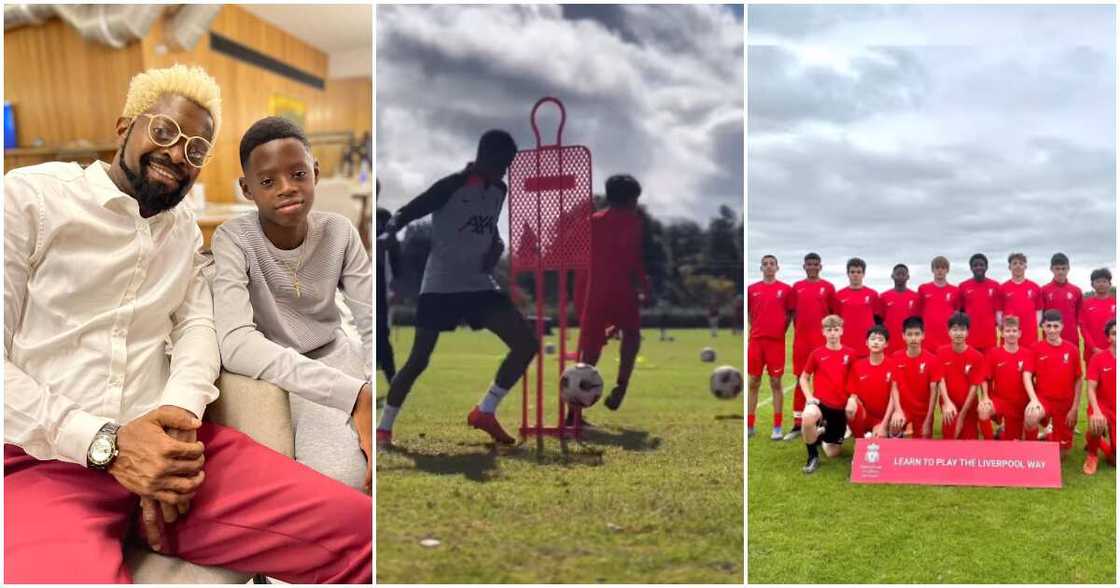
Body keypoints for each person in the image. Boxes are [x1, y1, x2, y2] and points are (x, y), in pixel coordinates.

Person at [4, 65, 370, 583]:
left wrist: (175, 420)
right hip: (43, 462)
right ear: (123, 126)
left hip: (176, 452)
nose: (179, 153)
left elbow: (198, 329)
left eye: (197, 148)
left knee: (366, 536)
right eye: (164, 131)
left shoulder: (182, 232)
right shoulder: (30, 200)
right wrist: (106, 444)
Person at [212, 117, 373, 492]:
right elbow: (235, 344)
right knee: (340, 481)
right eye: (267, 181)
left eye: (298, 173)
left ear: (315, 172)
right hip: (286, 370)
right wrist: (351, 394)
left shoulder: (339, 231)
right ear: (247, 189)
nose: (287, 188)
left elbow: (370, 319)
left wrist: (375, 383)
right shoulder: (233, 240)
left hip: (337, 353)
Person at [376, 130, 536, 449]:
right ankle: (383, 430)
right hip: (441, 285)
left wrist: (495, 246)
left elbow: (488, 231)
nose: (505, 170)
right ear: (484, 156)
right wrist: (390, 233)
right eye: (501, 163)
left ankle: (485, 411)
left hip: (478, 285)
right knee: (418, 360)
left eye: (508, 165)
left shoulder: (499, 191)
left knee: (526, 343)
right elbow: (404, 213)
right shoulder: (451, 185)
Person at [577, 174, 651, 412]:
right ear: (631, 199)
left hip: (594, 290)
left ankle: (573, 411)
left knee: (590, 349)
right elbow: (634, 259)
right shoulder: (634, 222)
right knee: (632, 336)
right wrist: (644, 285)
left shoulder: (592, 221)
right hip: (622, 288)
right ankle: (621, 384)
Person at [785, 252, 836, 440]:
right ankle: (798, 424)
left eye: (816, 264)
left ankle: (823, 422)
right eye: (809, 264)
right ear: (804, 266)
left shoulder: (828, 288)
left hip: (822, 344)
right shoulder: (796, 287)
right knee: (800, 380)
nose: (812, 267)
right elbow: (790, 314)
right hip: (802, 343)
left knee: (825, 382)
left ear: (820, 266)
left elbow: (834, 316)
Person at [798, 315, 855, 473]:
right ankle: (812, 456)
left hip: (840, 408)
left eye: (836, 329)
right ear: (823, 332)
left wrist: (852, 398)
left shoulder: (850, 354)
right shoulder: (817, 353)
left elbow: (855, 380)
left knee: (833, 453)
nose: (832, 333)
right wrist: (809, 398)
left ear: (841, 331)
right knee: (808, 416)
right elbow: (804, 377)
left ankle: (821, 432)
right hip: (821, 404)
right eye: (829, 330)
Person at [1023, 310, 1082, 455]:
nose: (1052, 330)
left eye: (1055, 326)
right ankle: (1032, 450)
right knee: (1031, 415)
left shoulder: (1072, 349)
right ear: (1042, 326)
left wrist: (1074, 408)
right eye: (1048, 326)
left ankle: (1049, 433)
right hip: (1044, 400)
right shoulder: (1035, 348)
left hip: (1065, 403)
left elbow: (1079, 379)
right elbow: (1026, 375)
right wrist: (1034, 400)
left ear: (1062, 326)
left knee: (1062, 454)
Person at [747, 255, 792, 439]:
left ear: (777, 267)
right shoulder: (752, 289)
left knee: (775, 382)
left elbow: (789, 315)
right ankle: (749, 425)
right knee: (754, 382)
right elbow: (750, 314)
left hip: (776, 343)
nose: (768, 267)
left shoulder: (785, 290)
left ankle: (777, 426)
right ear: (761, 268)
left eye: (772, 264)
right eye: (765, 264)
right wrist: (757, 328)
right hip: (756, 342)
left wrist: (779, 330)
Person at [977, 316, 1034, 441]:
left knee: (1014, 442)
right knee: (983, 408)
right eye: (1008, 331)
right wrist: (985, 397)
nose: (1011, 334)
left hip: (1021, 404)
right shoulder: (993, 353)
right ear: (1002, 333)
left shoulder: (1027, 354)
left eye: (1014, 331)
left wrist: (1033, 400)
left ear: (1019, 333)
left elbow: (1031, 379)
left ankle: (1030, 448)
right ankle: (990, 446)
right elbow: (983, 378)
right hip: (1001, 401)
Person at [888, 317, 943, 439]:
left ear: (923, 335)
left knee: (923, 448)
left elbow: (934, 392)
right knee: (894, 425)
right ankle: (898, 437)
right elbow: (894, 387)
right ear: (903, 336)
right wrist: (897, 410)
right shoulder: (896, 357)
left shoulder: (932, 360)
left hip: (923, 413)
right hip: (904, 409)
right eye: (910, 334)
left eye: (917, 334)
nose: (913, 338)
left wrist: (928, 419)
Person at [936, 312, 986, 439]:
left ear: (968, 332)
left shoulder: (977, 356)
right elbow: (940, 379)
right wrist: (946, 402)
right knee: (950, 440)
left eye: (962, 330)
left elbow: (974, 388)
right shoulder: (941, 352)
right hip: (949, 406)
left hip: (968, 408)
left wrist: (962, 416)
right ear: (949, 332)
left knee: (969, 445)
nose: (958, 333)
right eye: (955, 330)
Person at [845, 325, 895, 439]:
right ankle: (859, 438)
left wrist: (884, 424)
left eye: (880, 339)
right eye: (872, 339)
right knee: (850, 404)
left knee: (878, 442)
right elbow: (853, 393)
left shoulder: (893, 365)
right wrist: (854, 401)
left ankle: (877, 432)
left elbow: (894, 396)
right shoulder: (857, 366)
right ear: (866, 342)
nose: (876, 342)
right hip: (865, 415)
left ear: (886, 344)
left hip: (883, 418)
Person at [376, 179, 402, 387]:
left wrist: (397, 282)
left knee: (381, 333)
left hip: (377, 280)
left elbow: (394, 249)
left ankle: (393, 380)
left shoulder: (383, 216)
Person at [1083, 319, 1116, 475]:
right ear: (1109, 338)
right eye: (1115, 333)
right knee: (1097, 423)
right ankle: (1092, 454)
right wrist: (1096, 411)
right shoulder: (1098, 358)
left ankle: (1097, 442)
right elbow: (1090, 388)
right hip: (1103, 407)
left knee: (1115, 461)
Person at [831, 257, 880, 359]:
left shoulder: (872, 294)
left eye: (859, 272)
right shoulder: (839, 295)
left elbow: (877, 319)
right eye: (852, 272)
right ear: (847, 273)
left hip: (867, 343)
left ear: (863, 274)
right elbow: (836, 320)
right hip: (845, 343)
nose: (855, 275)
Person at [958, 253, 1001, 355]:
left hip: (989, 338)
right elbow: (961, 311)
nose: (978, 267)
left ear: (986, 267)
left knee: (989, 369)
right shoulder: (963, 286)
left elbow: (998, 311)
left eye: (981, 265)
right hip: (970, 338)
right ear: (971, 268)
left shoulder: (995, 286)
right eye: (975, 265)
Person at [917, 256, 960, 353]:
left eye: (943, 268)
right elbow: (918, 313)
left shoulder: (955, 290)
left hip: (947, 336)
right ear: (932, 270)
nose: (940, 271)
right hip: (928, 337)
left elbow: (957, 314)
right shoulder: (923, 288)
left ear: (947, 270)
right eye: (937, 268)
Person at [999, 252, 1042, 348]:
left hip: (1029, 335)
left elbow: (1038, 312)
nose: (1018, 266)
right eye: (1014, 263)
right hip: (1010, 334)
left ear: (1025, 266)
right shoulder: (1002, 288)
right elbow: (999, 312)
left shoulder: (1035, 287)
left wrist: (1032, 327)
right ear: (1009, 267)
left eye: (1021, 263)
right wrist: (1005, 328)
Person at [1041, 252, 1082, 349]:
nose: (1060, 272)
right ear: (1051, 269)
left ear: (1068, 269)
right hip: (1050, 337)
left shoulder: (1076, 291)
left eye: (1063, 268)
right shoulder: (1044, 290)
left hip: (1071, 337)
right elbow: (1041, 317)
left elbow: (1079, 315)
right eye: (1057, 269)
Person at [879, 263, 919, 356]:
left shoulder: (915, 297)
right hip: (889, 342)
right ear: (892, 276)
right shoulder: (883, 297)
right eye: (898, 274)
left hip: (909, 342)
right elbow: (880, 320)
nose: (900, 277)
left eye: (903, 274)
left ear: (908, 276)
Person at [1079, 268, 1116, 365]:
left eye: (1104, 281)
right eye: (1098, 281)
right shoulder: (1085, 305)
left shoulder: (1115, 303)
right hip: (1092, 352)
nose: (1101, 284)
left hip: (1114, 351)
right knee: (1093, 379)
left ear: (1109, 284)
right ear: (1092, 284)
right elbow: (1083, 328)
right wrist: (1093, 348)